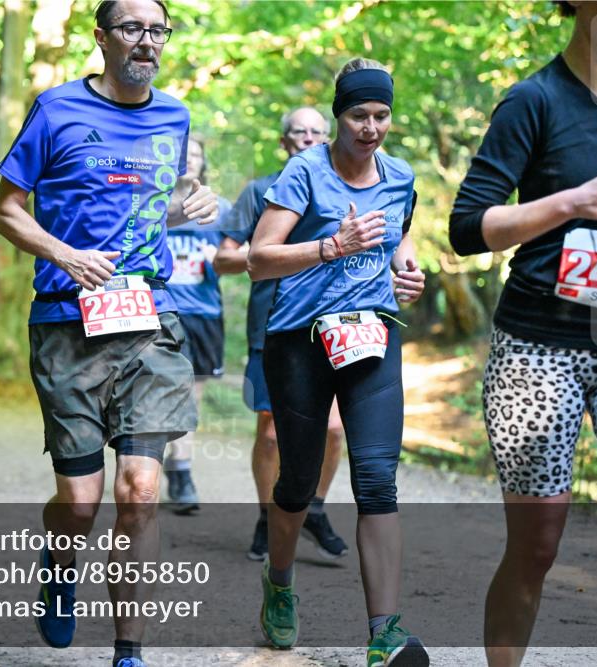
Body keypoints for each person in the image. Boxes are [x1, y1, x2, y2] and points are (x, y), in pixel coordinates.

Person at [0, 1, 219, 665]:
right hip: (67, 322)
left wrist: (190, 204)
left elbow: (152, 209)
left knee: (141, 491)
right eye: (131, 29)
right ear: (101, 37)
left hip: (148, 320)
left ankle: (129, 650)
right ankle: (61, 564)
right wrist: (63, 254)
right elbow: (6, 210)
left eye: (156, 30)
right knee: (81, 501)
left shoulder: (173, 116)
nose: (145, 42)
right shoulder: (55, 110)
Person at [448, 2, 597, 665]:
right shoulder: (532, 101)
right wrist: (575, 201)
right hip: (538, 349)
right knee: (537, 546)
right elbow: (465, 226)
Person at [248, 58, 428, 665]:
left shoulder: (399, 176)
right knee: (297, 480)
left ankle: (384, 632)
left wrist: (405, 270)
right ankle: (279, 583)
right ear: (338, 116)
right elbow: (259, 258)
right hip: (299, 340)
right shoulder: (304, 172)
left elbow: (398, 235)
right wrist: (332, 246)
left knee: (376, 478)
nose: (370, 127)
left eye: (381, 116)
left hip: (371, 335)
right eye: (359, 115)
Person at [214, 107, 349, 561]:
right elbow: (223, 259)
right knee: (271, 434)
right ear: (284, 142)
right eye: (298, 132)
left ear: (329, 138)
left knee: (332, 430)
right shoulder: (259, 192)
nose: (308, 138)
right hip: (272, 324)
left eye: (317, 132)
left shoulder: (345, 187)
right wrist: (270, 251)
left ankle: (314, 508)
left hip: (332, 325)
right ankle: (266, 514)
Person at [162, 135, 231, 515]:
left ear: (204, 163)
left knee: (192, 396)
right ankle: (169, 467)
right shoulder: (152, 206)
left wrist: (221, 257)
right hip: (159, 312)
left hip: (204, 314)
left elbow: (249, 250)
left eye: (195, 154)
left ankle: (180, 467)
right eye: (181, 153)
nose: (188, 159)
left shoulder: (221, 209)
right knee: (163, 391)